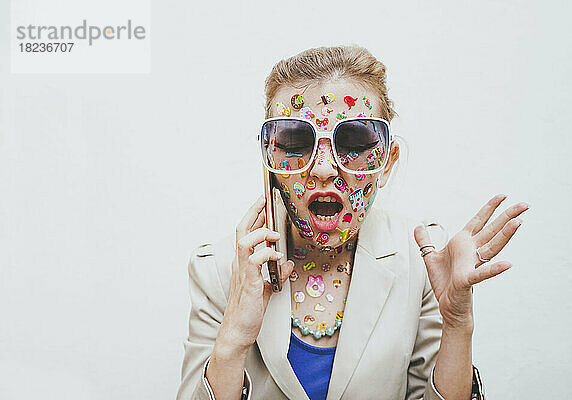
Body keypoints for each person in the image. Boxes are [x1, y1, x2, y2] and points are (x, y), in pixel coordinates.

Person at [176, 45, 528, 400]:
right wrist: (233, 338)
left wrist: (457, 325)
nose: (324, 168)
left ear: (388, 163)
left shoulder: (423, 263)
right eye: (295, 142)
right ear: (270, 158)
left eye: (355, 141)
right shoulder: (219, 270)